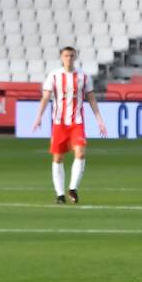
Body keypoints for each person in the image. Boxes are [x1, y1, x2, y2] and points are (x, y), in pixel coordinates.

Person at [30, 46, 107, 204]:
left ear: (76, 57)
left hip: (77, 122)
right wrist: (38, 117)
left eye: (71, 55)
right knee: (58, 158)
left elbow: (91, 99)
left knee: (80, 153)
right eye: (66, 55)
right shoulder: (54, 76)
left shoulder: (84, 77)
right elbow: (45, 98)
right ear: (61, 57)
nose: (69, 58)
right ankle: (59, 194)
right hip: (59, 123)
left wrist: (100, 120)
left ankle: (72, 188)